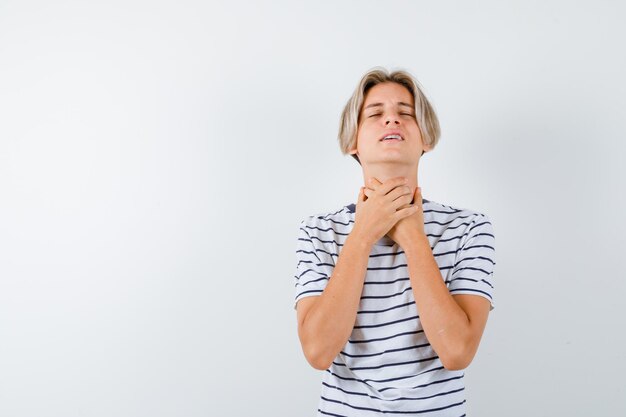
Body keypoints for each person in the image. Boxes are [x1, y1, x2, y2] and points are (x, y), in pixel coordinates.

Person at [293, 67, 497, 416]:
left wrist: (414, 238)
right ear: (352, 141)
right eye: (375, 114)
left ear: (426, 138)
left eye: (406, 113)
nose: (392, 121)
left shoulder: (469, 228)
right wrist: (363, 234)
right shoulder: (318, 231)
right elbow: (317, 352)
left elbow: (457, 352)